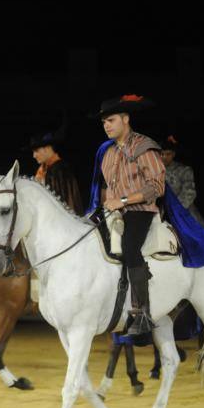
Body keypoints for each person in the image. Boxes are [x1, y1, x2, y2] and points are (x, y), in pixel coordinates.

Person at [88, 95, 165, 336]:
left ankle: (142, 312)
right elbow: (106, 189)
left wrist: (121, 201)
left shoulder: (144, 146)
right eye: (103, 123)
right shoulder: (108, 153)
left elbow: (156, 186)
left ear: (125, 118)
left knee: (131, 247)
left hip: (140, 211)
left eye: (110, 120)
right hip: (114, 211)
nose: (106, 126)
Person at [29, 127, 84, 215]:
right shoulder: (43, 170)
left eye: (36, 151)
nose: (34, 155)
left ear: (47, 148)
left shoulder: (60, 170)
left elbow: (68, 203)